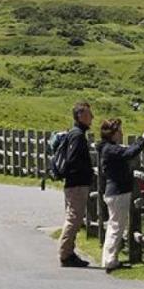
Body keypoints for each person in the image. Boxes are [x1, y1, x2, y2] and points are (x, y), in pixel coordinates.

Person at [96, 118, 144, 272]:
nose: (121, 133)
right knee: (117, 226)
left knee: (114, 225)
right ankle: (110, 260)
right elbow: (129, 153)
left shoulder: (108, 148)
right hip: (118, 192)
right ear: (112, 134)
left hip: (114, 192)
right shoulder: (111, 149)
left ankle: (107, 258)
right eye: (119, 131)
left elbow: (126, 151)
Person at [57, 101, 95, 268]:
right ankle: (65, 254)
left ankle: (69, 252)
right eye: (88, 114)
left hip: (74, 183)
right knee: (74, 218)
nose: (92, 117)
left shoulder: (76, 133)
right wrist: (85, 172)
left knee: (73, 217)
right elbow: (72, 160)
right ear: (80, 115)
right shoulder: (78, 135)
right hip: (77, 184)